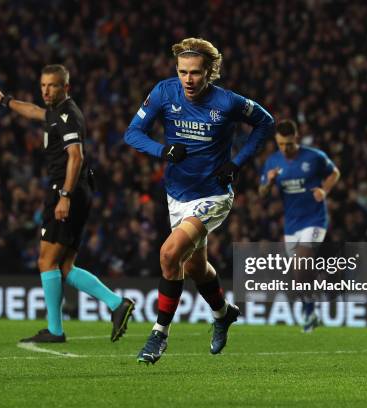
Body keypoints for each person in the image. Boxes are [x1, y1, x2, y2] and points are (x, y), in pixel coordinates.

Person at [125, 38, 275, 364]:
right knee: (194, 266)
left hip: (213, 195)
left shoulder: (228, 102)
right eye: (183, 72)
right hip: (176, 193)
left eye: (195, 73)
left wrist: (236, 163)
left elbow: (266, 123)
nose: (188, 80)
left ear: (210, 72)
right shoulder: (164, 92)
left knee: (169, 254)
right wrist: (161, 151)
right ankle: (223, 314)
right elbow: (132, 132)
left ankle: (159, 334)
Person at [0, 64, 134, 343]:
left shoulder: (68, 115)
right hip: (74, 191)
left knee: (46, 261)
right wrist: (5, 100)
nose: (45, 90)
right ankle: (116, 305)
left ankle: (56, 330)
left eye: (52, 85)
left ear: (66, 87)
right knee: (64, 267)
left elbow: (75, 157)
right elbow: (32, 111)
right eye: (43, 85)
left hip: (67, 191)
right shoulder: (55, 112)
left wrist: (64, 196)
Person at [259, 119, 340, 332]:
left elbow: (334, 173)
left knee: (302, 261)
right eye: (280, 144)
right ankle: (310, 310)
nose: (285, 148)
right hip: (291, 224)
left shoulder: (314, 157)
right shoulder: (273, 162)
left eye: (288, 144)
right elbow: (262, 194)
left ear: (296, 138)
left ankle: (313, 301)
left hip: (314, 219)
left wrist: (324, 190)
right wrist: (268, 183)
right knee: (299, 274)